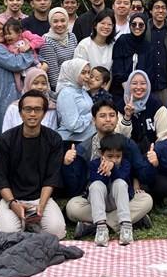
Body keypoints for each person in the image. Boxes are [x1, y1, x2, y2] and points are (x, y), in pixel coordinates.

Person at [64, 100, 155, 237]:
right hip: (94, 198)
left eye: (112, 115)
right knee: (72, 208)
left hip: (121, 197)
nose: (108, 119)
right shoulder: (84, 148)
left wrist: (152, 163)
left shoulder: (127, 144)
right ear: (94, 120)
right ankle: (130, 220)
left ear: (117, 119)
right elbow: (74, 187)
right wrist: (68, 164)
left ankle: (95, 226)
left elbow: (144, 175)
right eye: (102, 116)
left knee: (146, 200)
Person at [0, 89, 66, 238]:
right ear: (20, 112)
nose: (32, 114)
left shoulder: (54, 140)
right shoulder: (5, 140)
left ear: (44, 113)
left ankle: (31, 222)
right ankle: (27, 222)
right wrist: (14, 204)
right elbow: (0, 179)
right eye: (28, 109)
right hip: (11, 199)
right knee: (8, 235)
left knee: (57, 231)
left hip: (40, 198)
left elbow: (52, 178)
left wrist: (41, 207)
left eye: (37, 109)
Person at [0, 14, 40, 135]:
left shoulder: (9, 46)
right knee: (7, 123)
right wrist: (29, 51)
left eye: (1, 29)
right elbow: (17, 63)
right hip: (6, 93)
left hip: (17, 91)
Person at [86, 133, 136, 246]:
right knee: (94, 187)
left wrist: (113, 169)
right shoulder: (94, 164)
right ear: (101, 154)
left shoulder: (125, 164)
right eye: (110, 156)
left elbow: (123, 179)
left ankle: (126, 225)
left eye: (118, 156)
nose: (114, 160)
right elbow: (95, 182)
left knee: (121, 184)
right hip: (98, 203)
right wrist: (105, 171)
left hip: (117, 204)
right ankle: (101, 227)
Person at [118, 70, 167, 151]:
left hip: (154, 154)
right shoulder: (121, 105)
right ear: (128, 86)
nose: (139, 87)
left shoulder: (156, 104)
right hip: (128, 155)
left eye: (143, 83)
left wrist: (155, 153)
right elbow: (120, 137)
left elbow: (165, 135)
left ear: (148, 85)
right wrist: (127, 116)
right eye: (134, 83)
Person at [2, 68, 58, 133]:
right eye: (35, 83)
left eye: (43, 83)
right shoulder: (14, 108)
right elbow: (6, 133)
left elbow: (53, 134)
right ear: (28, 83)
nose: (40, 87)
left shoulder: (51, 108)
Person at [111, 12, 152, 102]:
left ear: (145, 27)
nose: (137, 27)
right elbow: (117, 69)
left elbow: (149, 71)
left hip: (141, 92)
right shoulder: (122, 41)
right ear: (130, 26)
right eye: (134, 24)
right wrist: (128, 91)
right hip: (120, 91)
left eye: (141, 25)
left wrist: (138, 90)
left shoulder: (148, 46)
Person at [55, 59, 96, 145]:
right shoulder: (66, 93)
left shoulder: (82, 90)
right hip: (72, 142)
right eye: (83, 73)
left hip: (85, 139)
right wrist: (92, 115)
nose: (87, 76)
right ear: (73, 72)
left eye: (89, 73)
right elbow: (73, 125)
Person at [39, 7, 78, 91]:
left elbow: (76, 61)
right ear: (50, 22)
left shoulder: (71, 36)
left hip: (75, 82)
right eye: (55, 21)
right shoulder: (47, 41)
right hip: (59, 88)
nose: (60, 24)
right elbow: (53, 76)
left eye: (63, 20)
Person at [2, 17, 45, 91]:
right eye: (5, 34)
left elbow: (40, 40)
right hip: (23, 72)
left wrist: (29, 46)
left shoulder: (25, 35)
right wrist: (17, 50)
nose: (7, 36)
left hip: (35, 65)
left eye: (9, 33)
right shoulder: (8, 46)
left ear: (19, 32)